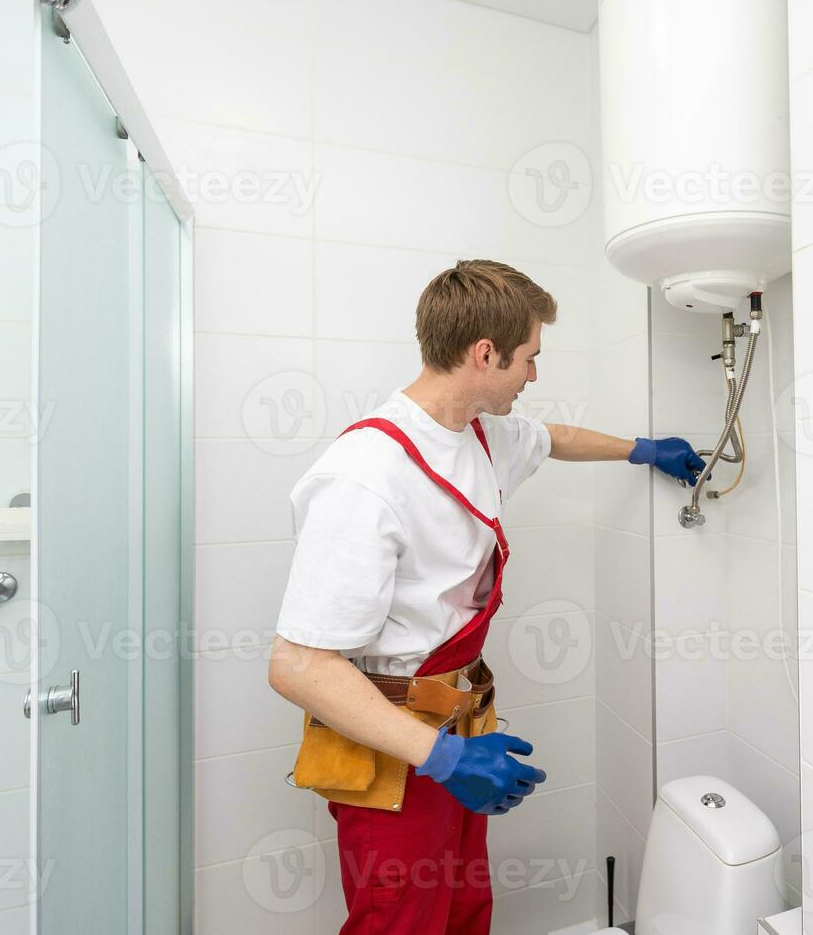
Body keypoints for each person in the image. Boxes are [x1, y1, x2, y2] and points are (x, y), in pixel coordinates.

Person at [267, 260, 705, 934]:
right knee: (402, 920)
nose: (533, 375)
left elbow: (556, 438)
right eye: (529, 358)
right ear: (484, 354)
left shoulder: (479, 431)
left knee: (464, 912)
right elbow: (298, 666)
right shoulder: (366, 475)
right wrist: (443, 758)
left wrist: (643, 450)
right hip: (393, 750)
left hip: (459, 722)